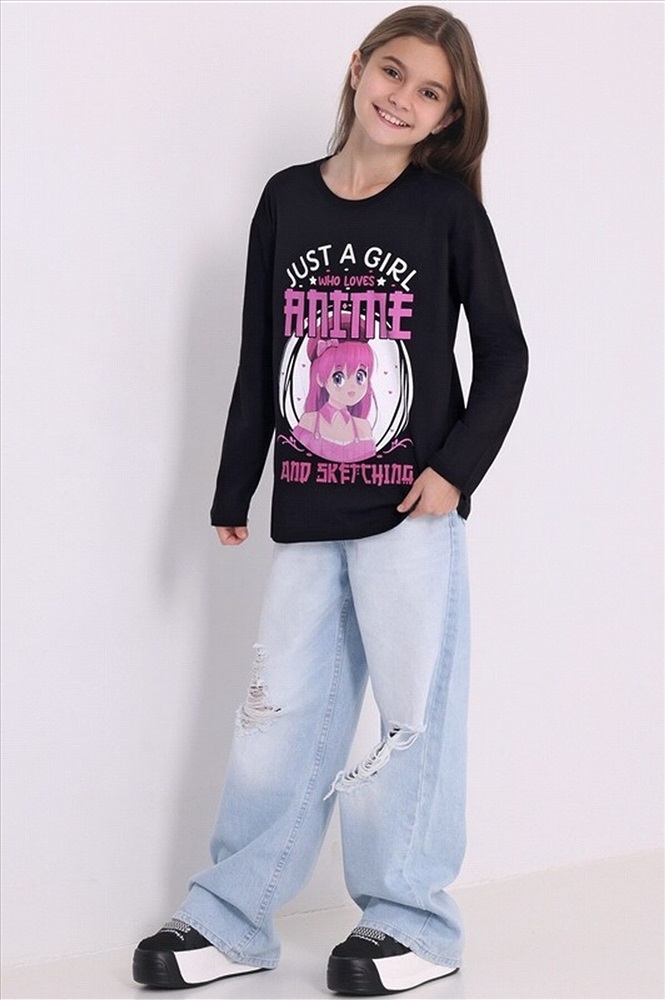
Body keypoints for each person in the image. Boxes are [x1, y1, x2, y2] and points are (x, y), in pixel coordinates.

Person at [133, 4, 529, 995]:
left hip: (409, 516)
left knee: (408, 721)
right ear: (357, 68)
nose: (403, 98)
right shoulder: (286, 199)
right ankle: (232, 917)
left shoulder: (443, 211)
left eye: (430, 93)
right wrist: (235, 484)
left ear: (445, 118)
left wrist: (454, 471)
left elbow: (505, 353)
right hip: (308, 508)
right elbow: (261, 352)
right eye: (392, 72)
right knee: (277, 718)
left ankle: (412, 922)